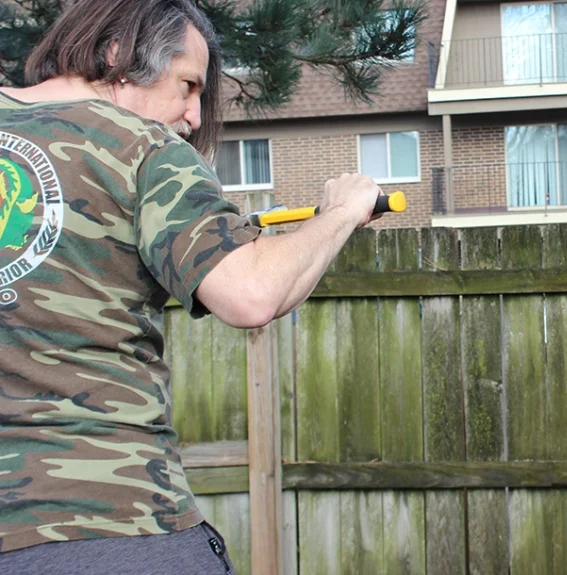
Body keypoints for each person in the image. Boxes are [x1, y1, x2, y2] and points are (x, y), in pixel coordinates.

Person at [0, 1, 382, 572]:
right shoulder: (141, 149)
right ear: (117, 56)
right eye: (188, 85)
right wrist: (340, 213)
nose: (194, 115)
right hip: (108, 522)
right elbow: (252, 293)